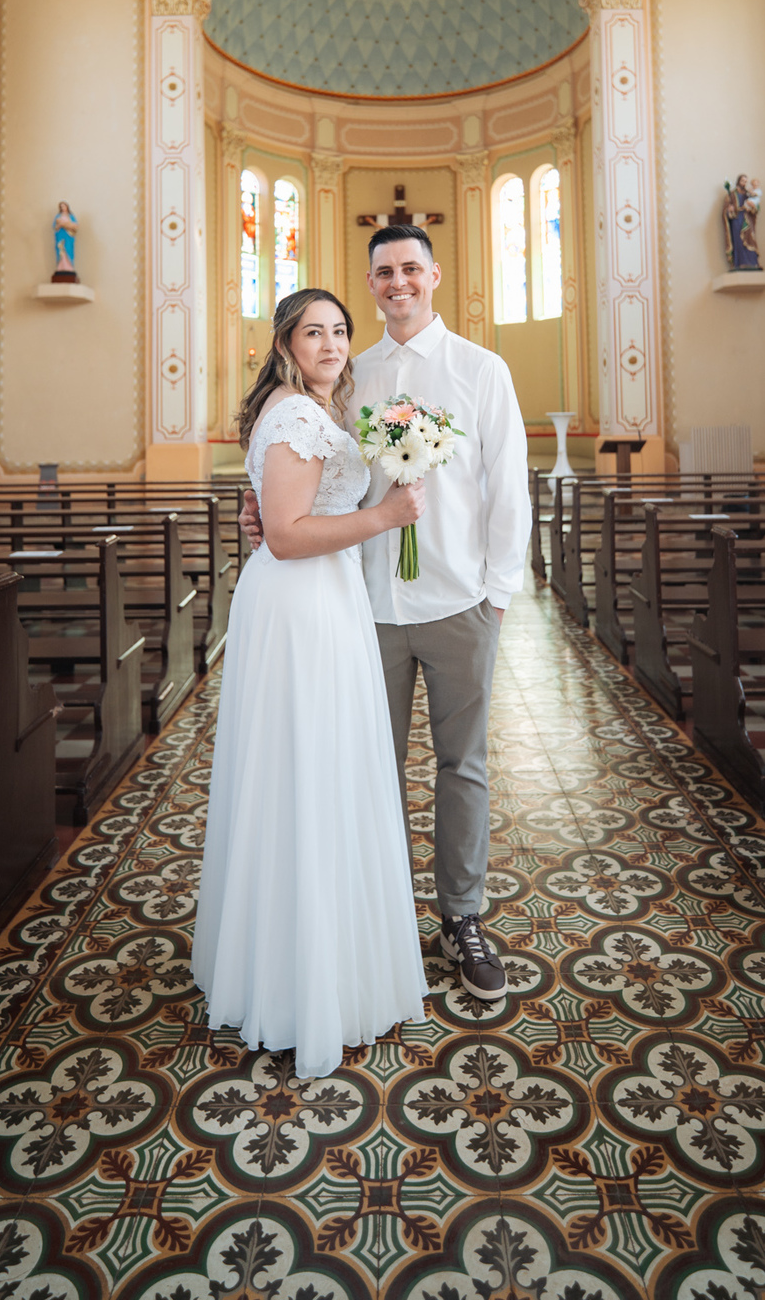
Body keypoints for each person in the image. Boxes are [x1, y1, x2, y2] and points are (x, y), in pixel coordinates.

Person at [242, 228, 532, 1005]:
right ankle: (381, 918)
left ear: (435, 275)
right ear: (370, 284)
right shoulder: (347, 375)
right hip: (364, 608)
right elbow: (308, 479)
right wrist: (264, 514)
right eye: (383, 272)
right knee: (367, 770)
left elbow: (510, 489)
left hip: (458, 601)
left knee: (462, 765)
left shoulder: (481, 370)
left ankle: (463, 916)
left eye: (410, 269)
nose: (397, 282)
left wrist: (496, 597)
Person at [192, 287, 428, 1079]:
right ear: (287, 345)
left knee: (316, 776)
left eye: (338, 331)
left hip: (325, 601)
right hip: (301, 606)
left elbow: (277, 515)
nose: (329, 344)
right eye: (312, 332)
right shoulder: (296, 415)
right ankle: (299, 987)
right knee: (306, 775)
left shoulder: (319, 412)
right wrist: (386, 518)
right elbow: (289, 538)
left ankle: (314, 965)